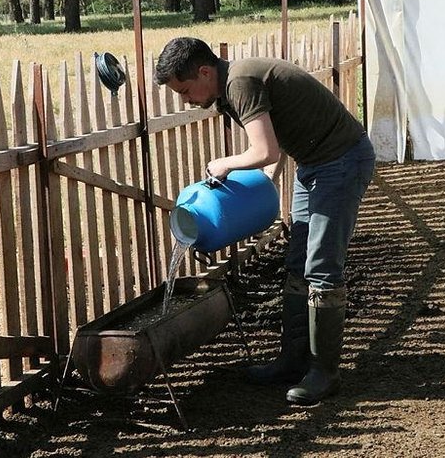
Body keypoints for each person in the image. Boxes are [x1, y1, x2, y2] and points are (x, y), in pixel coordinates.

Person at [154, 37, 376, 405]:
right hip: (315, 163)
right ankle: (293, 360)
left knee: (321, 267)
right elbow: (282, 132)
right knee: (296, 262)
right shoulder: (230, 85)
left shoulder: (239, 83)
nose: (186, 100)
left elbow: (264, 150)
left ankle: (324, 373)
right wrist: (265, 180)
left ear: (205, 72)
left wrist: (225, 163)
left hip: (340, 161)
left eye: (185, 90)